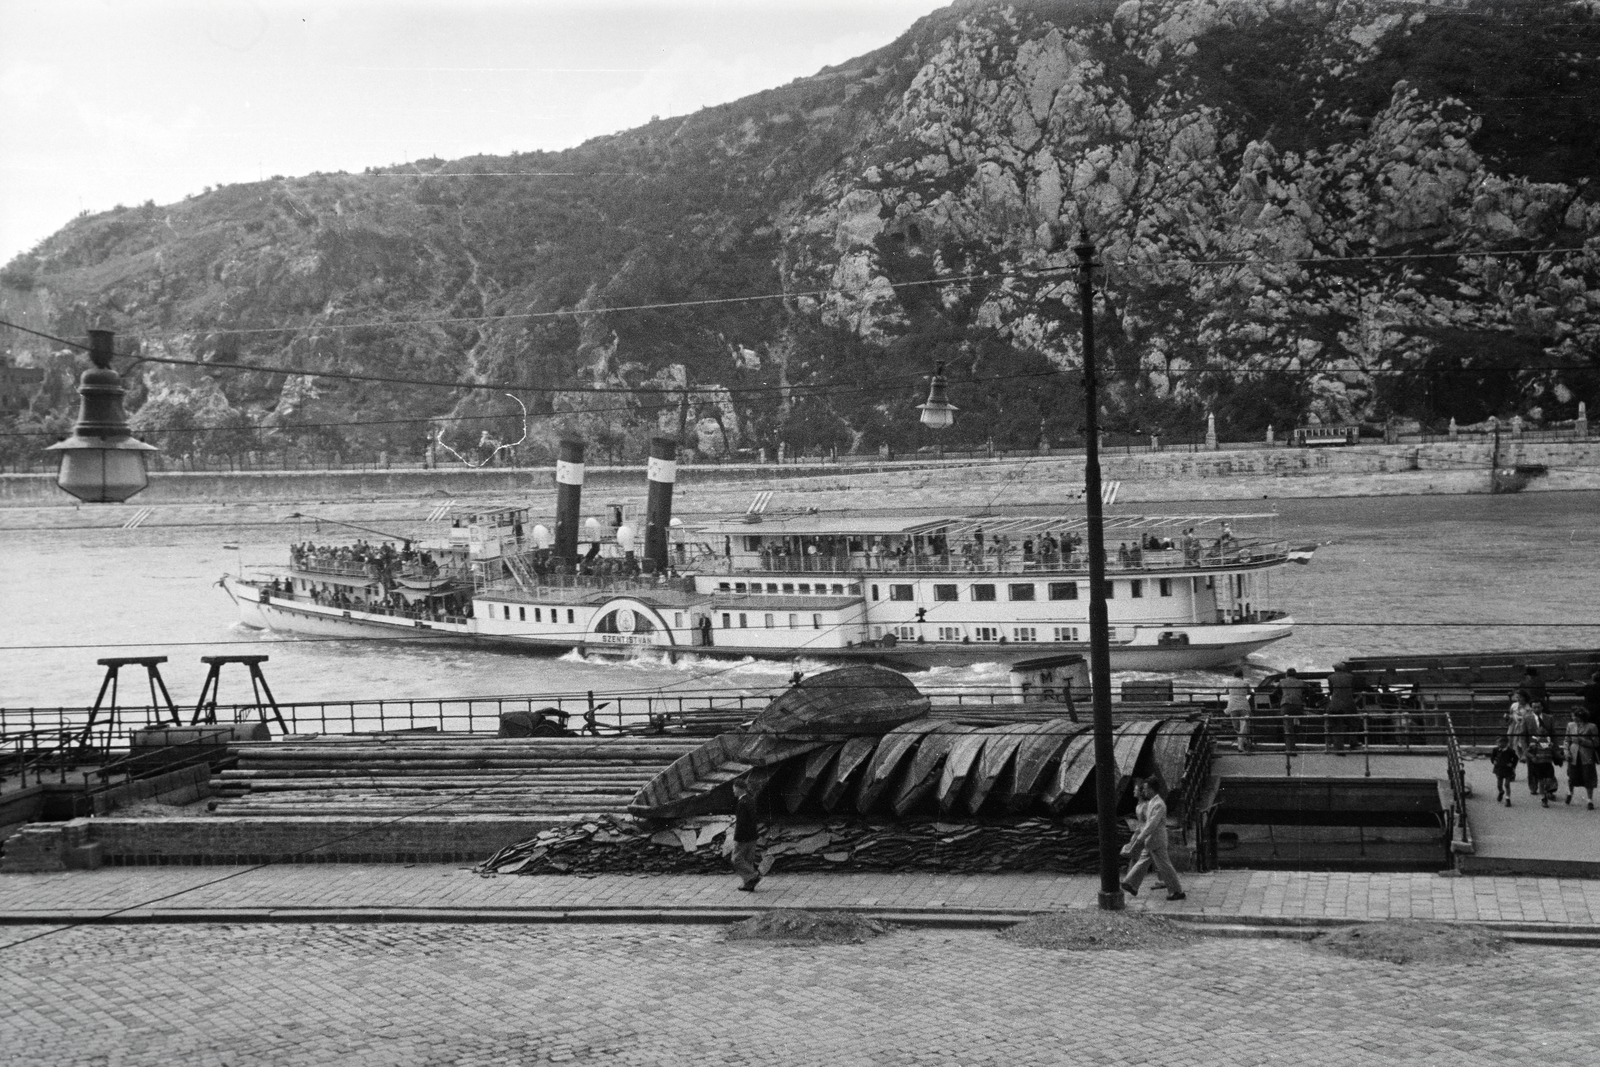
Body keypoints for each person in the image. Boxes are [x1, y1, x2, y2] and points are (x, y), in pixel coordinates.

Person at [1120, 778, 1185, 901]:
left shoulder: (1159, 804)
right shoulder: (1152, 803)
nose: (1143, 790)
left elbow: (1152, 824)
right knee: (1143, 861)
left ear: (1151, 789)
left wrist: (1141, 836)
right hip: (1151, 840)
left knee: (1164, 866)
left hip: (1157, 840)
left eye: (1145, 788)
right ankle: (1130, 883)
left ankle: (1177, 890)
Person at [730, 778, 762, 891]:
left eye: (734, 788)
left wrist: (737, 838)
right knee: (748, 860)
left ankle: (754, 875)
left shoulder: (742, 803)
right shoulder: (750, 800)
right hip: (753, 836)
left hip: (743, 837)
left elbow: (741, 823)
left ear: (739, 788)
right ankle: (749, 884)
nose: (733, 791)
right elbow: (753, 819)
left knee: (736, 859)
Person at [1565, 710, 1599, 810]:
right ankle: (1570, 792)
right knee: (1572, 775)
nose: (1573, 718)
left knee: (1588, 776)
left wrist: (1583, 741)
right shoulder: (1570, 725)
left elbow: (1596, 742)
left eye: (1575, 716)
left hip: (1586, 754)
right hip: (1573, 753)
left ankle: (1589, 800)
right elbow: (1567, 740)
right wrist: (1566, 752)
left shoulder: (1592, 726)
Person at [1326, 662, 1357, 753]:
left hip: (1335, 704)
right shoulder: (1351, 677)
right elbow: (1353, 689)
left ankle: (1338, 747)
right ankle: (1353, 742)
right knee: (1354, 721)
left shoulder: (1330, 677)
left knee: (1336, 725)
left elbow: (1331, 690)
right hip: (1349, 703)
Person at [1527, 731, 1559, 808]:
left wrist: (1560, 756)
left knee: (1549, 780)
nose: (1542, 738)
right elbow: (1527, 752)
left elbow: (1555, 753)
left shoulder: (1550, 745)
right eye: (1541, 736)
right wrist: (1533, 757)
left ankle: (1547, 791)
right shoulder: (1534, 745)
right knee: (1541, 782)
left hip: (1548, 765)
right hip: (1539, 765)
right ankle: (1543, 798)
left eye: (1544, 736)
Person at [1278, 668, 1306, 754]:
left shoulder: (1282, 682)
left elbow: (1275, 693)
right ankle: (1294, 742)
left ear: (1286, 674)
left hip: (1286, 705)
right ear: (1295, 675)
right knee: (1298, 724)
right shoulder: (1301, 682)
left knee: (1287, 727)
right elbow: (1311, 691)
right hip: (1298, 705)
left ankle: (1290, 748)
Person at [1224, 669, 1252, 752]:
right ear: (1242, 675)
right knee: (1244, 726)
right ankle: (1243, 744)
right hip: (1244, 705)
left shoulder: (1229, 682)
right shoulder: (1245, 683)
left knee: (1236, 727)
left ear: (1233, 675)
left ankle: (1241, 744)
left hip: (1232, 706)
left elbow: (1226, 692)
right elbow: (1250, 692)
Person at [1491, 735, 1520, 806]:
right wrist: (1493, 761)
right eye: (1497, 743)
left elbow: (1516, 758)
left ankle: (1508, 799)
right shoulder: (1496, 750)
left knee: (1507, 784)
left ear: (1505, 743)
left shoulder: (1510, 751)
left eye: (1499, 743)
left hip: (1507, 770)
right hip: (1499, 769)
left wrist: (1512, 765)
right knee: (1499, 784)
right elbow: (1492, 757)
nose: (1498, 744)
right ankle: (1501, 791)